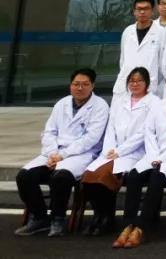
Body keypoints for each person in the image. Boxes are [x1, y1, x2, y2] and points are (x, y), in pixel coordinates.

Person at [15, 68, 109, 237]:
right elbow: (49, 131)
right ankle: (39, 217)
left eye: (85, 84)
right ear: (70, 85)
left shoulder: (100, 106)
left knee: (61, 177)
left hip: (81, 154)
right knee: (24, 176)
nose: (80, 88)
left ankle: (58, 219)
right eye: (76, 84)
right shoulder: (62, 104)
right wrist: (53, 153)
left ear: (92, 86)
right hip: (53, 152)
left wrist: (62, 155)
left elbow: (91, 139)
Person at [115, 66, 166, 249]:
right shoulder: (158, 105)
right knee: (134, 176)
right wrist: (154, 156)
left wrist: (163, 158)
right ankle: (128, 225)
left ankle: (141, 228)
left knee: (156, 177)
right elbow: (149, 132)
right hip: (154, 154)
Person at [82, 67, 157, 237]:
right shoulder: (119, 101)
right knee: (88, 176)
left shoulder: (154, 103)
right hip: (112, 151)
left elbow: (144, 132)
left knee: (104, 175)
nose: (135, 84)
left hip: (135, 152)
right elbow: (110, 127)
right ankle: (100, 214)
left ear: (147, 83)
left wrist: (120, 151)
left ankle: (107, 219)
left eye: (139, 81)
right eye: (131, 81)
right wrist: (110, 149)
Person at [115, 0, 165, 96]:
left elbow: (162, 63)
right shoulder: (128, 31)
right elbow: (123, 60)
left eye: (146, 9)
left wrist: (153, 79)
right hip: (125, 84)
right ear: (134, 11)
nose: (142, 12)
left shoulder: (161, 32)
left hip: (149, 84)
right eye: (139, 9)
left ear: (152, 11)